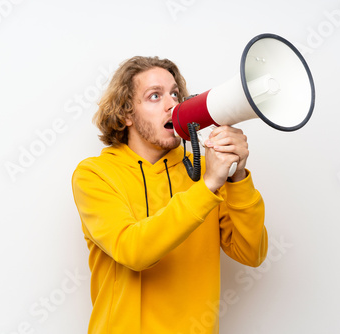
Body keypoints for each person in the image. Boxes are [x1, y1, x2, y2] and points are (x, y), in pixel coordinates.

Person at [71, 56, 268, 334]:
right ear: (126, 113)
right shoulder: (95, 174)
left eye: (175, 93)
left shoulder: (203, 171)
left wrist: (236, 177)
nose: (172, 104)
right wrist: (208, 185)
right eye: (155, 96)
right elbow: (134, 250)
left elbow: (251, 253)